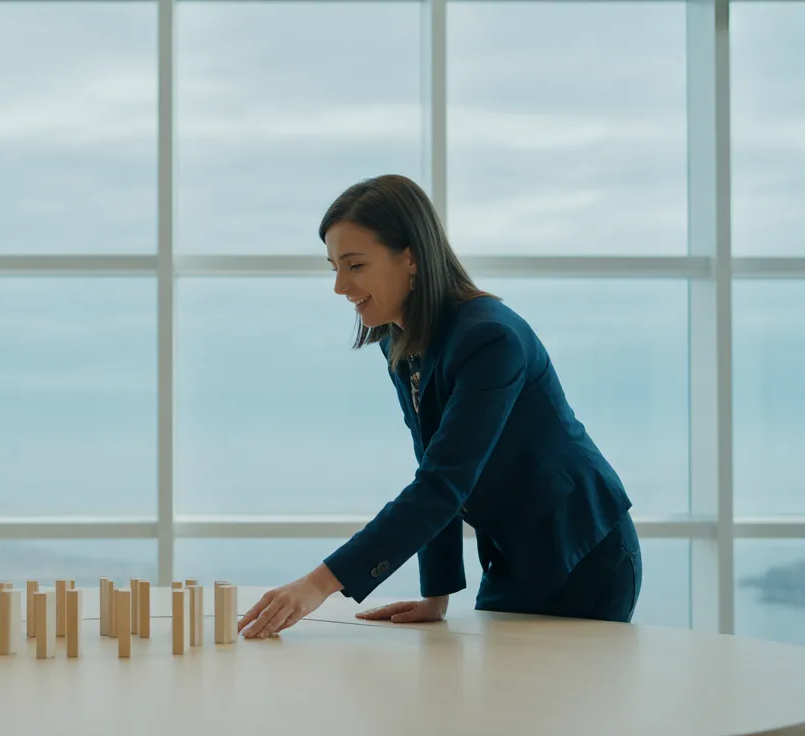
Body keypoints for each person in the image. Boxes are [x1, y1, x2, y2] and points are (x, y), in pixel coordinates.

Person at [237, 174, 642, 638]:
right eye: (334, 267)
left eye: (355, 266)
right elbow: (435, 462)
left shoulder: (491, 338)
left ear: (409, 257)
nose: (340, 287)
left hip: (583, 554)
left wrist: (318, 584)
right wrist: (437, 593)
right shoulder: (399, 338)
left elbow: (441, 485)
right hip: (513, 558)